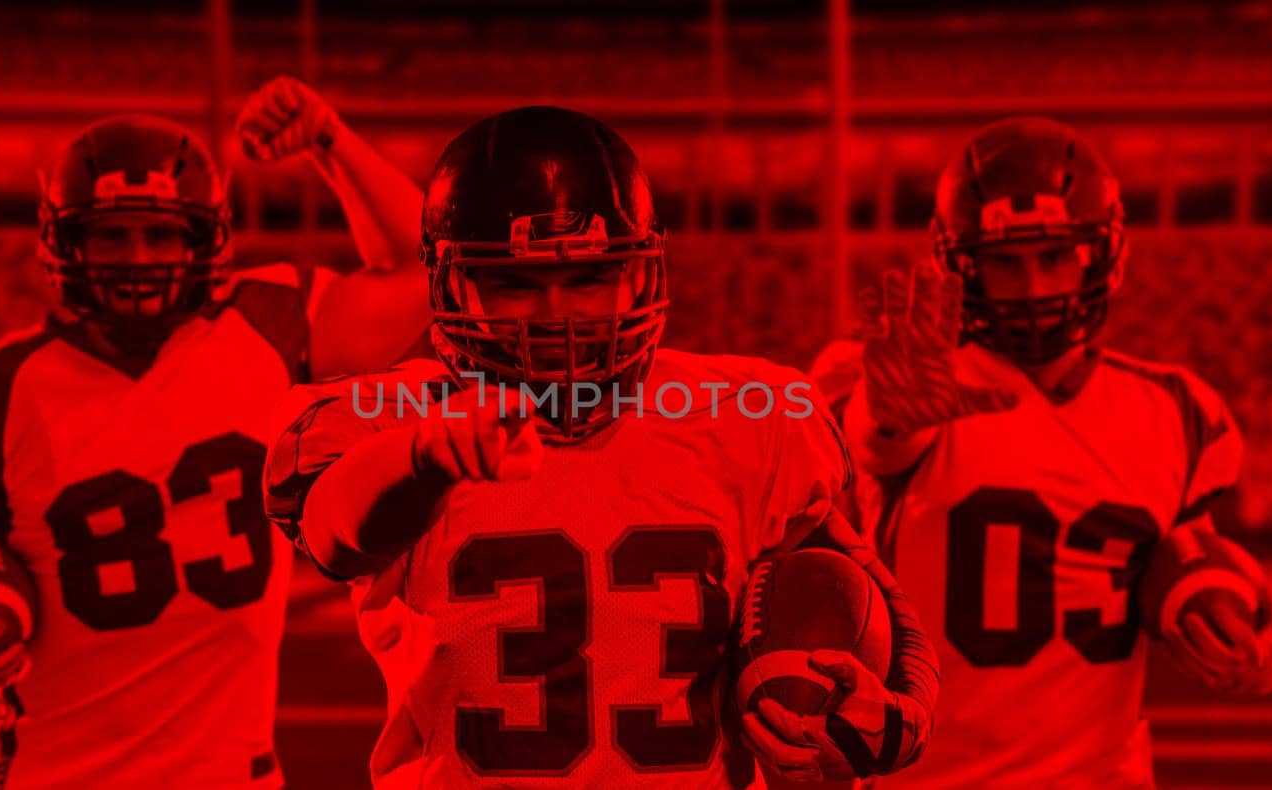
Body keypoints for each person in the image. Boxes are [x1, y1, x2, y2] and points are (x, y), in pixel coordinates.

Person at [261, 105, 938, 787]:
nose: (557, 316)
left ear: (642, 273)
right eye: (513, 285)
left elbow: (853, 573)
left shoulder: (748, 412)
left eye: (588, 278)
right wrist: (426, 457)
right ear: (450, 286)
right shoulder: (394, 418)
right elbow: (333, 533)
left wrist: (902, 703)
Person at [0, 79, 428, 789]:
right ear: (66, 243)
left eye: (160, 233)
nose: (137, 257)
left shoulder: (268, 325)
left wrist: (330, 141)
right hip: (54, 774)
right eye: (111, 234)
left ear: (204, 238)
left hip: (229, 775)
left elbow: (423, 269)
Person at [819, 115, 1272, 787]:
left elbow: (1192, 554)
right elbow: (879, 438)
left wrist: (1229, 618)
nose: (1034, 289)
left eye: (1053, 257)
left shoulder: (1178, 410)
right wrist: (885, 416)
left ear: (1099, 255)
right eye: (1006, 264)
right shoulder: (913, 382)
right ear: (963, 267)